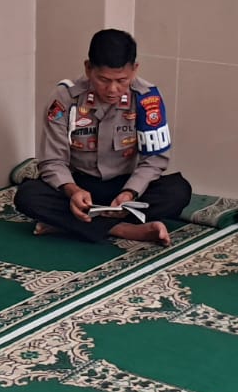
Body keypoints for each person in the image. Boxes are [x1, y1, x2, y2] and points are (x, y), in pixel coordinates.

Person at [14, 29, 192, 245]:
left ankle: (71, 224)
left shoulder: (147, 98)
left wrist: (130, 193)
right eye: (103, 80)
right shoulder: (65, 98)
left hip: (126, 186)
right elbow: (53, 160)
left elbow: (155, 160)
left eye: (122, 80)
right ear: (88, 68)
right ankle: (124, 229)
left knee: (178, 191)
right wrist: (72, 191)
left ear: (135, 69)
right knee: (28, 196)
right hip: (79, 185)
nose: (112, 89)